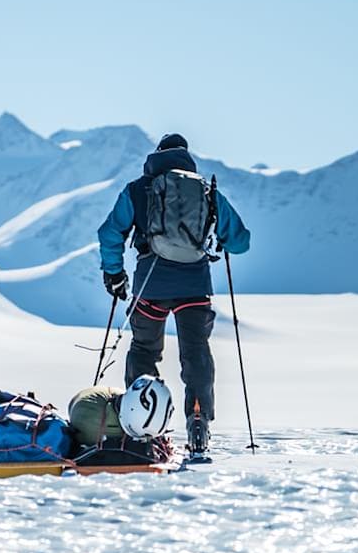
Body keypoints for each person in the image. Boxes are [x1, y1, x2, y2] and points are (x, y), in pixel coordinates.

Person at [96, 133, 250, 457]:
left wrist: (114, 274)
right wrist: (219, 238)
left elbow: (110, 233)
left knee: (144, 350)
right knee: (196, 353)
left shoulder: (138, 189)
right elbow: (240, 241)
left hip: (150, 287)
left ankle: (143, 425)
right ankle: (198, 418)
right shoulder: (206, 191)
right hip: (194, 287)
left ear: (157, 155)